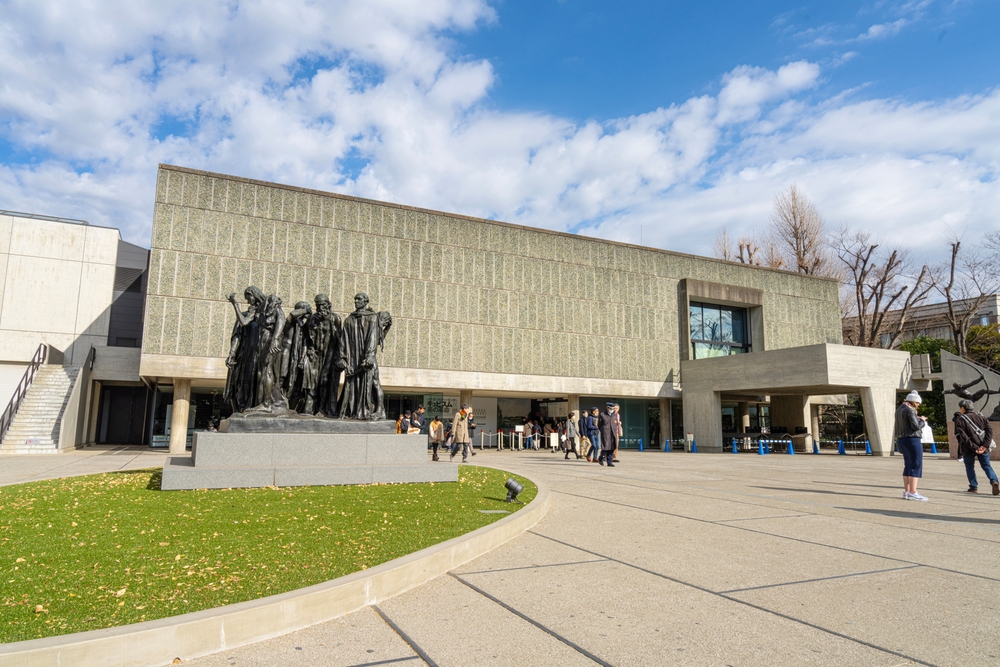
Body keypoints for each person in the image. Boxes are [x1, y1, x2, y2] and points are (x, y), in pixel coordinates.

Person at [336, 293, 392, 420]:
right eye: (355, 299)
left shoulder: (373, 317)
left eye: (359, 299)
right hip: (352, 358)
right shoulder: (349, 320)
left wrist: (370, 355)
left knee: (374, 383)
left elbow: (373, 337)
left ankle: (378, 410)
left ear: (366, 301)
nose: (356, 301)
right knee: (354, 384)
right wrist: (342, 357)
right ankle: (353, 410)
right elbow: (344, 340)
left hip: (367, 357)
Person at [954, 399, 999, 495]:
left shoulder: (960, 420)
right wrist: (984, 445)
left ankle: (973, 487)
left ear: (963, 408)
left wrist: (974, 447)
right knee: (987, 466)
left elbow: (964, 437)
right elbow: (989, 431)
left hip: (968, 448)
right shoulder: (981, 417)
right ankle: (994, 482)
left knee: (969, 466)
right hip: (983, 447)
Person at [895, 390, 927, 501]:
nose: (918, 405)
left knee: (908, 465)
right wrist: (922, 421)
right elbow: (915, 426)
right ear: (914, 402)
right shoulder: (910, 410)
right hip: (912, 439)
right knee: (916, 464)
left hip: (902, 439)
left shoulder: (899, 409)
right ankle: (913, 492)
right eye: (918, 403)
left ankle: (907, 491)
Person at [598, 402, 616, 467]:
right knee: (605, 448)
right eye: (610, 408)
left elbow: (615, 423)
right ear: (607, 408)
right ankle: (601, 458)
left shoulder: (614, 415)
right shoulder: (602, 414)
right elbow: (599, 425)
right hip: (605, 433)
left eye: (613, 409)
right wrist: (603, 430)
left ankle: (609, 462)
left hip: (613, 434)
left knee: (612, 448)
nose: (612, 410)